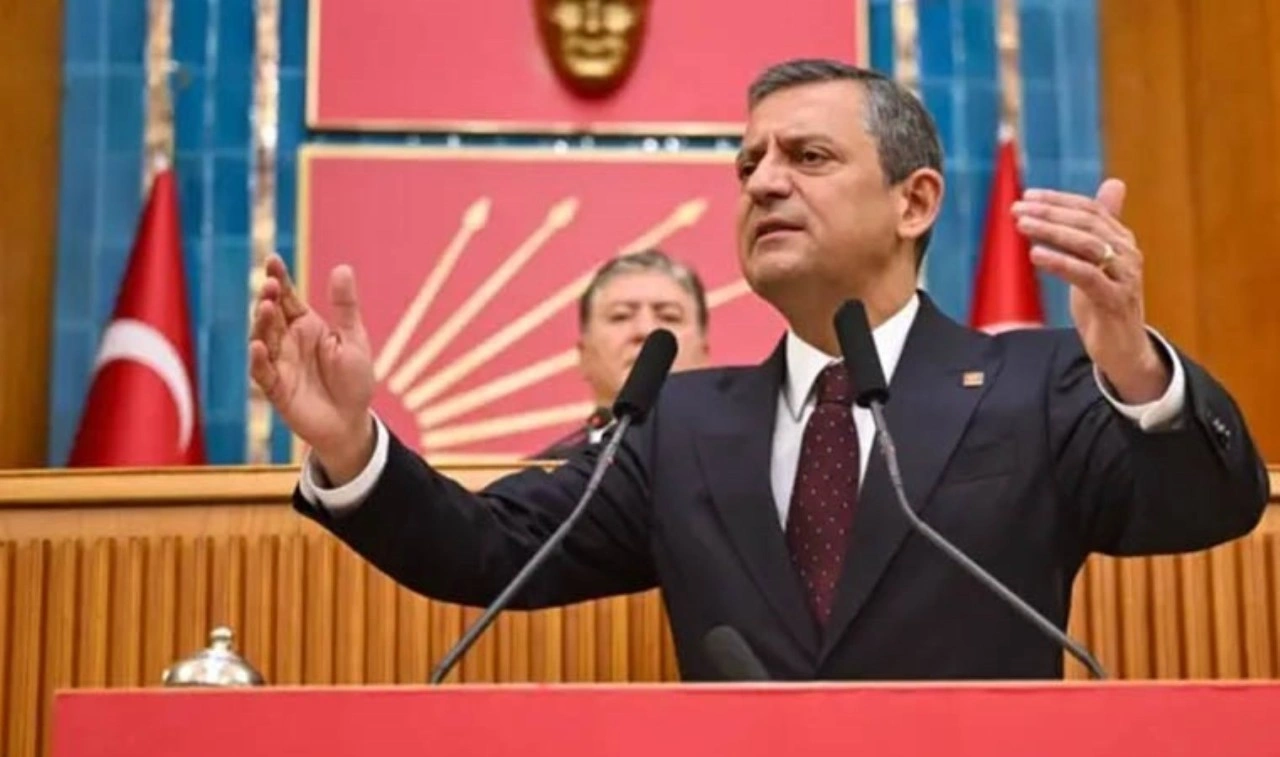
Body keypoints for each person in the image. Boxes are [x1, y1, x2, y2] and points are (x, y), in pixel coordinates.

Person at [249, 59, 1269, 680]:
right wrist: (348, 445)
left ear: (913, 202)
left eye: (807, 159)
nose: (763, 183)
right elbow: (484, 550)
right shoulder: (680, 423)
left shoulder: (1033, 384)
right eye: (749, 164)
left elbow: (1209, 507)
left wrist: (1134, 364)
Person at [536, 248, 710, 459]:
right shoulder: (543, 474)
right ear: (584, 355)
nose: (645, 330)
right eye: (621, 316)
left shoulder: (741, 465)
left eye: (669, 317)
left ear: (704, 354)